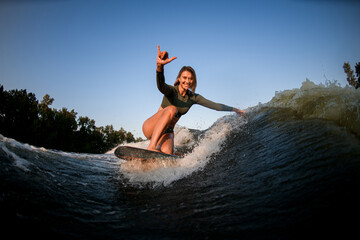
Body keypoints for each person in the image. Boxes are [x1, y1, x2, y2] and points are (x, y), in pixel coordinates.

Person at [142, 45, 246, 155]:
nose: (187, 81)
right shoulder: (172, 91)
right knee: (172, 109)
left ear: (193, 80)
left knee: (167, 155)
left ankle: (158, 151)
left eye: (190, 78)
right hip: (151, 127)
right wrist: (159, 67)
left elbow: (215, 105)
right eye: (185, 78)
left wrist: (236, 109)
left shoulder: (193, 97)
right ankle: (152, 146)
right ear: (179, 78)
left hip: (167, 132)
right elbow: (161, 85)